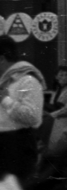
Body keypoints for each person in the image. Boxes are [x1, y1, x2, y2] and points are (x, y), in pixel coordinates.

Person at [0, 39, 46, 180]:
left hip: (17, 146)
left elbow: (32, 117)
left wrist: (5, 100)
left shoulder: (28, 81)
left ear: (1, 58)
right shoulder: (2, 81)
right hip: (3, 145)